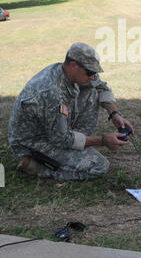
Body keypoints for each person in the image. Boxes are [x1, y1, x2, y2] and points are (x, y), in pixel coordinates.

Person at [8, 42, 134, 181]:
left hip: (54, 131)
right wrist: (103, 141)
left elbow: (101, 88)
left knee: (91, 90)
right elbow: (61, 139)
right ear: (74, 66)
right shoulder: (51, 91)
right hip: (32, 142)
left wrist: (114, 114)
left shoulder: (74, 74)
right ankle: (37, 166)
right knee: (99, 166)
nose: (93, 76)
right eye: (90, 72)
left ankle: (78, 143)